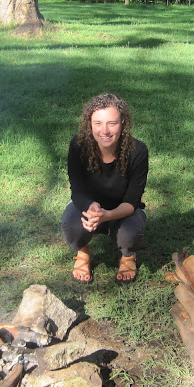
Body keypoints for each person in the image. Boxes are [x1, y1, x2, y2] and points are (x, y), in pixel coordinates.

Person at [62, 93, 148, 284]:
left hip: (123, 210)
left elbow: (133, 200)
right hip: (89, 207)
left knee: (131, 233)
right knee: (71, 225)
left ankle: (128, 256)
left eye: (112, 123)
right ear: (90, 124)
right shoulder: (78, 146)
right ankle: (82, 251)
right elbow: (77, 190)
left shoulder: (138, 151)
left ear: (123, 123)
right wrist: (91, 207)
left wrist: (107, 215)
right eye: (98, 123)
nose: (105, 131)